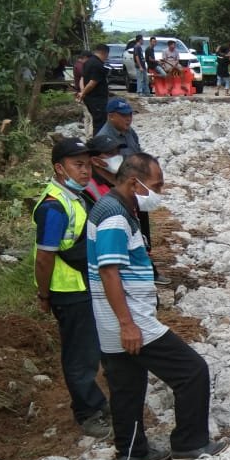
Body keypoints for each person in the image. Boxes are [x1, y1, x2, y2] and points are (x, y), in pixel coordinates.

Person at [87, 153, 226, 460]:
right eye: (156, 185)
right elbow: (110, 271)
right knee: (192, 372)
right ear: (134, 182)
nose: (159, 192)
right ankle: (190, 443)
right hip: (130, 319)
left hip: (110, 321)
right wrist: (128, 324)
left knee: (126, 385)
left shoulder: (114, 207)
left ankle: (132, 453)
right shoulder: (114, 217)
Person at [32, 138, 111, 439]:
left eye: (88, 164)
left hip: (85, 286)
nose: (85, 171)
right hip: (71, 292)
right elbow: (44, 257)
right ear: (59, 167)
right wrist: (44, 295)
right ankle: (87, 411)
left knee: (90, 348)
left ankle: (96, 403)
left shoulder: (75, 197)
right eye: (78, 165)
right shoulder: (54, 207)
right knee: (80, 355)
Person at [94, 98, 168, 286]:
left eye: (130, 115)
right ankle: (138, 271)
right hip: (123, 190)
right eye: (123, 115)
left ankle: (148, 268)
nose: (128, 119)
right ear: (111, 117)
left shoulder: (129, 134)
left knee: (142, 230)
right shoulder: (104, 138)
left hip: (137, 190)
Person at [75, 44, 110, 135]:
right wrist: (83, 93)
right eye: (107, 55)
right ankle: (98, 144)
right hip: (97, 99)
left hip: (90, 98)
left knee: (95, 120)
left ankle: (96, 140)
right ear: (104, 53)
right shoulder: (97, 64)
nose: (106, 58)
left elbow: (82, 78)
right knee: (100, 123)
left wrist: (83, 91)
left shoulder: (87, 62)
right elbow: (92, 83)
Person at [86, 133, 123, 203]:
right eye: (111, 153)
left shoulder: (125, 177)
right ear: (95, 161)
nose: (117, 157)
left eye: (118, 152)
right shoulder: (89, 187)